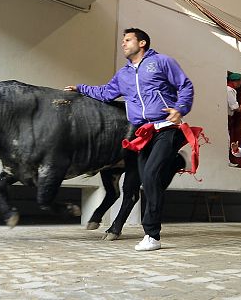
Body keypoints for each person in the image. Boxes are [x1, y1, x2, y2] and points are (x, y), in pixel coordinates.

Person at [64, 28, 194, 251]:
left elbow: (185, 85)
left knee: (151, 175)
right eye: (122, 40)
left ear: (142, 42)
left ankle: (152, 235)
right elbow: (106, 92)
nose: (123, 44)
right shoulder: (123, 75)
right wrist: (80, 88)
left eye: (127, 40)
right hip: (142, 133)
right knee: (147, 178)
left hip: (166, 127)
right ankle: (174, 163)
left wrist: (180, 108)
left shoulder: (162, 62)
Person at [227, 72, 241, 168]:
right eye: (239, 81)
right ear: (234, 82)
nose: (240, 83)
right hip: (228, 117)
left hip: (229, 118)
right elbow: (235, 107)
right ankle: (228, 161)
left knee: (228, 138)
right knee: (227, 139)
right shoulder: (229, 90)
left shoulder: (229, 89)